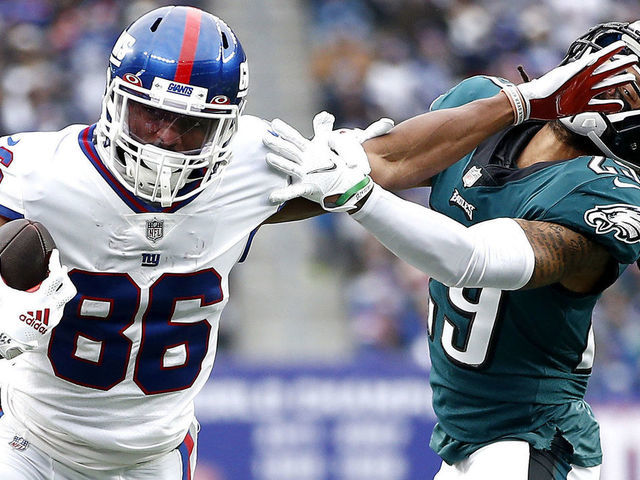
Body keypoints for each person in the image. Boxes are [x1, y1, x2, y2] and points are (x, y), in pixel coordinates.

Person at [0, 5, 633, 478]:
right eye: (151, 113)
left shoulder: (248, 161)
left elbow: (386, 160)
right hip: (29, 442)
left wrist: (524, 102)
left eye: (192, 124)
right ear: (114, 99)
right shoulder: (41, 171)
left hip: (156, 453)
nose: (165, 138)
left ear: (226, 126)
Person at [262, 21, 640, 480]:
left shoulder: (608, 192)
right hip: (471, 443)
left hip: (533, 440)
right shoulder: (485, 109)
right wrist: (226, 209)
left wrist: (358, 194)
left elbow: (471, 259)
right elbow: (380, 163)